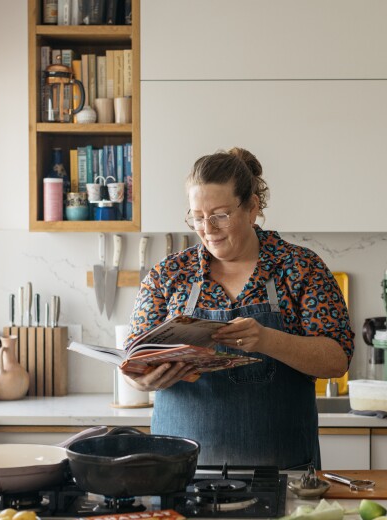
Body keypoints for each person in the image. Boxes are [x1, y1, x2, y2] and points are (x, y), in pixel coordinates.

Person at [124, 147, 354, 470]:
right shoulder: (168, 276)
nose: (208, 229)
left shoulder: (300, 268)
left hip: (285, 478)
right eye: (198, 217)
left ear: (251, 208)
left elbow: (337, 359)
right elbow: (133, 360)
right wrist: (142, 381)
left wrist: (267, 340)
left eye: (220, 215)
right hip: (180, 480)